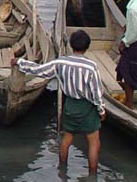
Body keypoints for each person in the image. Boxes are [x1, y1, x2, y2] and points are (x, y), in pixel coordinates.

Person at [10, 29, 105, 173]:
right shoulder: (91, 67)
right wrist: (101, 110)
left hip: (70, 105)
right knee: (94, 142)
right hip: (87, 107)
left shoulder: (61, 62)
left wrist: (20, 62)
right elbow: (96, 93)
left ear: (71, 46)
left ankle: (62, 169)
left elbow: (40, 70)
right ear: (87, 47)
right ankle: (92, 173)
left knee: (67, 138)